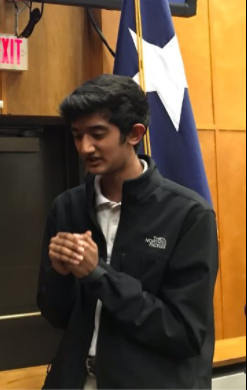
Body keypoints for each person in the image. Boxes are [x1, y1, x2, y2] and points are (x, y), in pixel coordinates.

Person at [38, 74, 218, 389]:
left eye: (97, 134)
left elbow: (183, 332)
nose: (85, 147)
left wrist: (97, 275)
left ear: (134, 134)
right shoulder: (67, 207)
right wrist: (59, 274)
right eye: (77, 135)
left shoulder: (188, 214)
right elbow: (56, 315)